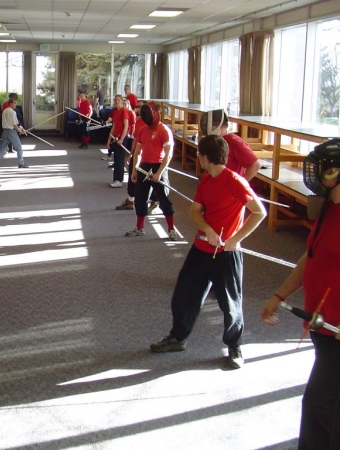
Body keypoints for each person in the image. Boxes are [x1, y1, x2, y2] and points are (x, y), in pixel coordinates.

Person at [150, 135, 266, 369]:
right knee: (184, 296)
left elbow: (259, 212)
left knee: (230, 304)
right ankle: (178, 338)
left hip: (227, 254)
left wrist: (235, 239)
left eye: (199, 154)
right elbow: (195, 212)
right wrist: (208, 230)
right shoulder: (206, 180)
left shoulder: (235, 181)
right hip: (201, 249)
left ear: (205, 157)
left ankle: (234, 346)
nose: (198, 158)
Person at [260, 139, 340, 449]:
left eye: (325, 170)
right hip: (324, 327)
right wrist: (279, 296)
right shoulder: (328, 208)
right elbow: (311, 257)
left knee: (322, 408)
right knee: (322, 409)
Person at [126, 102, 179, 240]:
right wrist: (134, 170)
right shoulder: (143, 130)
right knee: (140, 198)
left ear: (155, 114)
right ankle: (140, 227)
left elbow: (168, 155)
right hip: (144, 167)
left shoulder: (164, 130)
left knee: (164, 200)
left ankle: (171, 230)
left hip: (159, 166)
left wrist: (159, 173)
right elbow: (137, 152)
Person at [200, 109, 262, 181]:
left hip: (228, 184)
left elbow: (256, 164)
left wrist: (239, 184)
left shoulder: (234, 141)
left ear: (217, 125)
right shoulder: (214, 141)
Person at [116, 101, 146, 211]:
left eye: (140, 107)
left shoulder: (150, 123)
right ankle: (130, 201)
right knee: (132, 177)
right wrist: (131, 154)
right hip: (137, 153)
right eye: (137, 107)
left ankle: (153, 202)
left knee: (148, 180)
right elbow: (135, 140)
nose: (138, 109)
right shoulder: (139, 122)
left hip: (147, 156)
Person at [0, 97, 28, 169]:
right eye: (14, 103)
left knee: (1, 148)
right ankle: (21, 163)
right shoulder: (13, 112)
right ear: (10, 103)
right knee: (19, 148)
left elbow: (13, 124)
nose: (15, 105)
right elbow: (14, 125)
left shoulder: (4, 111)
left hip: (5, 131)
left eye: (16, 103)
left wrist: (20, 129)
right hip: (11, 132)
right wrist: (20, 131)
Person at [106, 95, 129, 188]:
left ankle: (119, 180)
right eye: (115, 100)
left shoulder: (124, 111)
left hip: (122, 138)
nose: (117, 101)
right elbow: (114, 126)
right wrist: (109, 139)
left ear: (122, 101)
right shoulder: (115, 111)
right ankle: (115, 179)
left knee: (119, 160)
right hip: (115, 137)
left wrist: (122, 139)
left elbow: (126, 126)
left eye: (118, 100)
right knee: (116, 159)